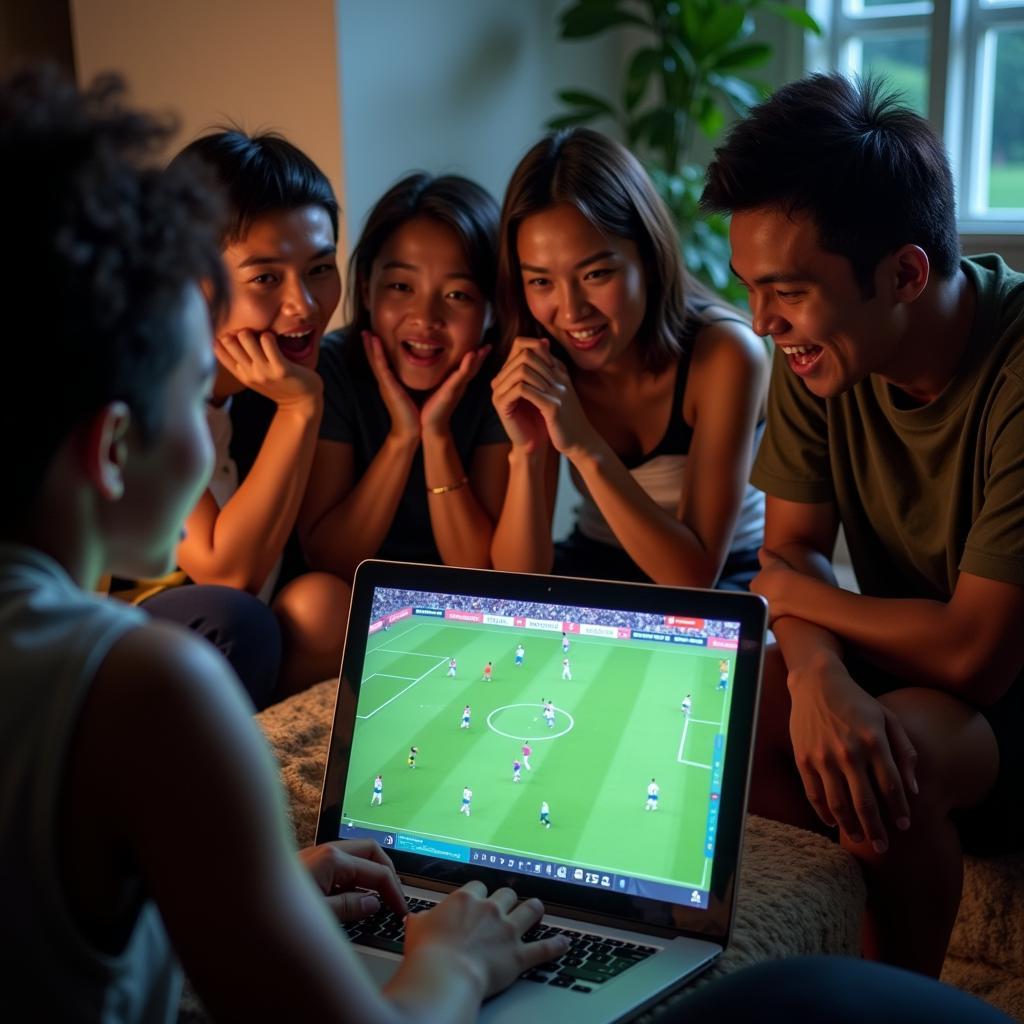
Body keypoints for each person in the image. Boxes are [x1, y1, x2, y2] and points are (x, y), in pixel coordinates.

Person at [0, 67, 567, 1022]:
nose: (217, 428)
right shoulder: (146, 688)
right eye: (194, 391)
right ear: (112, 445)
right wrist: (456, 961)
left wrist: (229, 881)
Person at [701, 71, 1024, 976]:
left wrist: (803, 603)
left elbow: (976, 655)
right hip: (909, 649)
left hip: (1013, 688)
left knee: (898, 749)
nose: (763, 323)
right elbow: (788, 553)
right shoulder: (823, 353)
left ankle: (898, 997)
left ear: (904, 274)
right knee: (746, 695)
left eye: (787, 293)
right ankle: (803, 960)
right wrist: (817, 678)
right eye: (751, 290)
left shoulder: (1015, 368)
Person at [490, 128, 769, 590]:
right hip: (597, 560)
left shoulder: (724, 353)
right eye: (541, 282)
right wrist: (528, 452)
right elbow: (519, 584)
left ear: (648, 256)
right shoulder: (541, 353)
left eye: (596, 273)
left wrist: (584, 445)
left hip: (728, 572)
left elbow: (694, 577)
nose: (572, 311)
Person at [152, 128, 353, 704]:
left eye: (320, 268)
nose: (306, 305)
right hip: (106, 634)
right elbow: (226, 575)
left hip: (220, 643)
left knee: (324, 603)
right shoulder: (142, 380)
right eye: (266, 278)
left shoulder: (270, 383)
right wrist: (300, 408)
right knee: (234, 618)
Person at [299, 174, 511, 580]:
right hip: (352, 596)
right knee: (315, 599)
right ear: (365, 289)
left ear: (492, 309)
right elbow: (329, 561)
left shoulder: (500, 384)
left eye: (457, 295)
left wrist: (436, 435)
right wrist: (402, 438)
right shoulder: (333, 371)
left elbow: (479, 572)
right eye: (400, 286)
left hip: (458, 603)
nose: (426, 318)